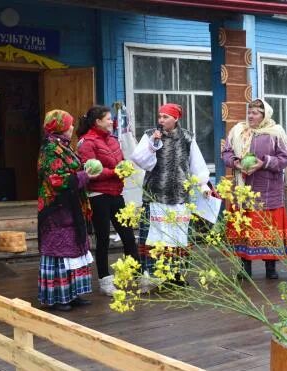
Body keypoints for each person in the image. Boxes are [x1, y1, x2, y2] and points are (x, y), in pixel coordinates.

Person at [131, 103, 210, 289]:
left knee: (178, 238)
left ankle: (176, 275)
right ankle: (152, 277)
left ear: (176, 118)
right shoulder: (151, 135)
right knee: (154, 237)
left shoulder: (187, 137)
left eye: (165, 116)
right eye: (160, 116)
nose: (161, 120)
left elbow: (195, 163)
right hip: (155, 195)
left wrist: (203, 184)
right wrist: (152, 146)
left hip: (180, 196)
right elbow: (140, 160)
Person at [222, 99, 287, 279]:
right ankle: (245, 268)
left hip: (269, 189)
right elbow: (226, 152)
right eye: (249, 112)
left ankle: (271, 268)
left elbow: (284, 158)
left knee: (268, 228)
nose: (250, 116)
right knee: (245, 228)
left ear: (265, 115)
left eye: (255, 113)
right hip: (243, 188)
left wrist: (264, 163)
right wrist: (236, 162)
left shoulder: (275, 133)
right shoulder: (239, 130)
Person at [37, 109, 98, 311]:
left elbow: (73, 169)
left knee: (72, 251)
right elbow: (57, 181)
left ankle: (72, 295)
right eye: (69, 124)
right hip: (57, 210)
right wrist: (83, 176)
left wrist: (85, 170)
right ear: (60, 126)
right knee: (59, 253)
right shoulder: (49, 150)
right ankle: (58, 298)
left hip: (72, 208)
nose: (73, 127)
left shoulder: (64, 146)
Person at [76, 105, 139, 296]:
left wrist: (125, 168)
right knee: (102, 239)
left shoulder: (112, 140)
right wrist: (115, 172)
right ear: (98, 122)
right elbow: (91, 170)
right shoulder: (86, 142)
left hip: (116, 194)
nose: (112, 121)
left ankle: (136, 275)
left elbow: (119, 162)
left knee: (128, 236)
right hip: (98, 196)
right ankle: (104, 280)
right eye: (108, 119)